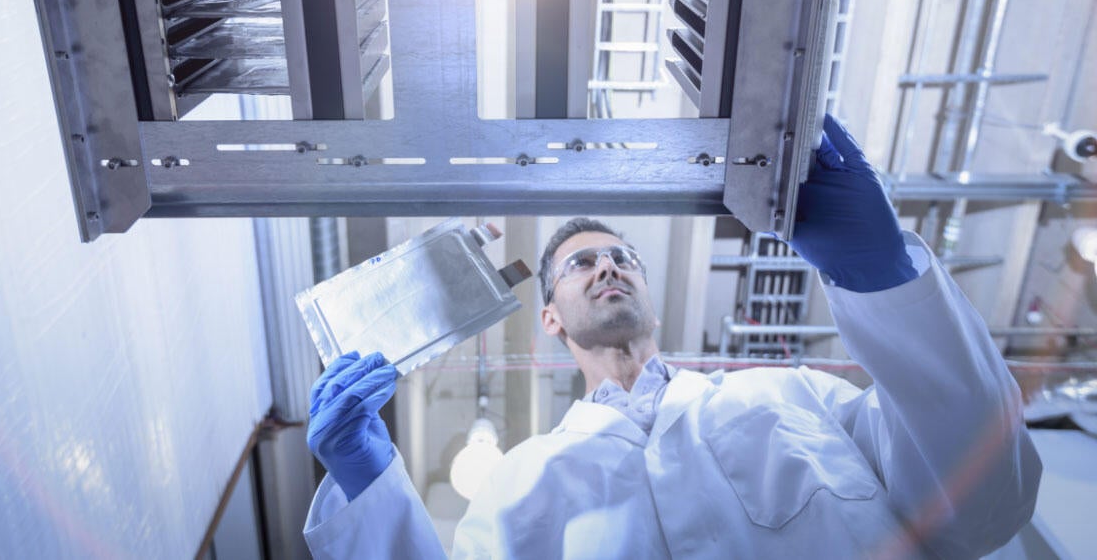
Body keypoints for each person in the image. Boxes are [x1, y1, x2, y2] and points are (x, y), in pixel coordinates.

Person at [302, 116, 1041, 558]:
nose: (608, 268)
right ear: (549, 316)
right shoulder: (518, 483)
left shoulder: (794, 396)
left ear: (647, 293)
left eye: (622, 257)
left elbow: (984, 507)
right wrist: (373, 492)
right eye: (580, 264)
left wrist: (885, 279)